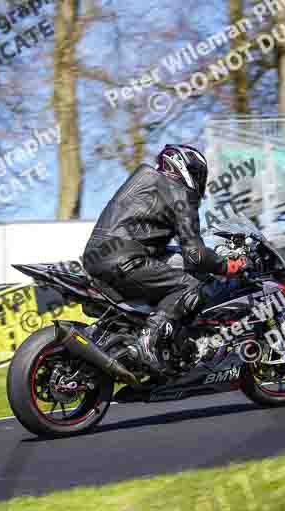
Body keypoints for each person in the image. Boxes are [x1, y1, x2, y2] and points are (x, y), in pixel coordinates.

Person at [82, 144, 248, 374]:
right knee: (191, 285)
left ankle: (132, 340)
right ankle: (149, 341)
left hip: (97, 258)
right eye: (198, 174)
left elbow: (148, 235)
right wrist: (225, 265)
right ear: (185, 169)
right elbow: (194, 254)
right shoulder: (179, 192)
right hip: (126, 260)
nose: (200, 181)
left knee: (172, 273)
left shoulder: (144, 181)